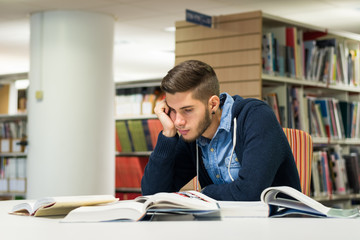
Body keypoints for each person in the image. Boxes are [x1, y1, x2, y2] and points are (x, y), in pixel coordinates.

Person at [141, 60, 301, 201]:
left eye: (187, 110)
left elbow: (251, 192)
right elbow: (153, 194)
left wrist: (201, 195)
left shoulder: (256, 116)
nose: (178, 121)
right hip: (226, 227)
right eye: (173, 110)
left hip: (277, 226)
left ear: (213, 104)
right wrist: (168, 134)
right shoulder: (192, 135)